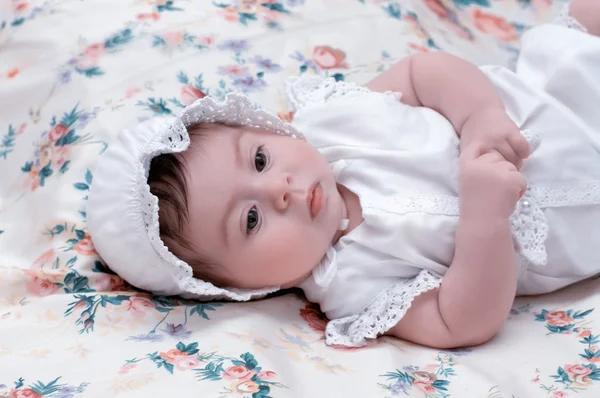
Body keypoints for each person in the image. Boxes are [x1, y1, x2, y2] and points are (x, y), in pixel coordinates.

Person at [87, 0, 600, 349]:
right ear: (240, 288)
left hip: (561, 95)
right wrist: (486, 221)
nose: (279, 189)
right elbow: (460, 321)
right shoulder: (351, 285)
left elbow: (427, 72)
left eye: (260, 159)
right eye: (249, 220)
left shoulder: (334, 120)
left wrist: (480, 117)